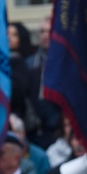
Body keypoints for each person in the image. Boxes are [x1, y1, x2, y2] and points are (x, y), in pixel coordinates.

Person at [26, 15, 62, 148]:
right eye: (42, 31)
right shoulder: (30, 63)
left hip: (58, 128)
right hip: (35, 128)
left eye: (50, 31)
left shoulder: (68, 63)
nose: (46, 35)